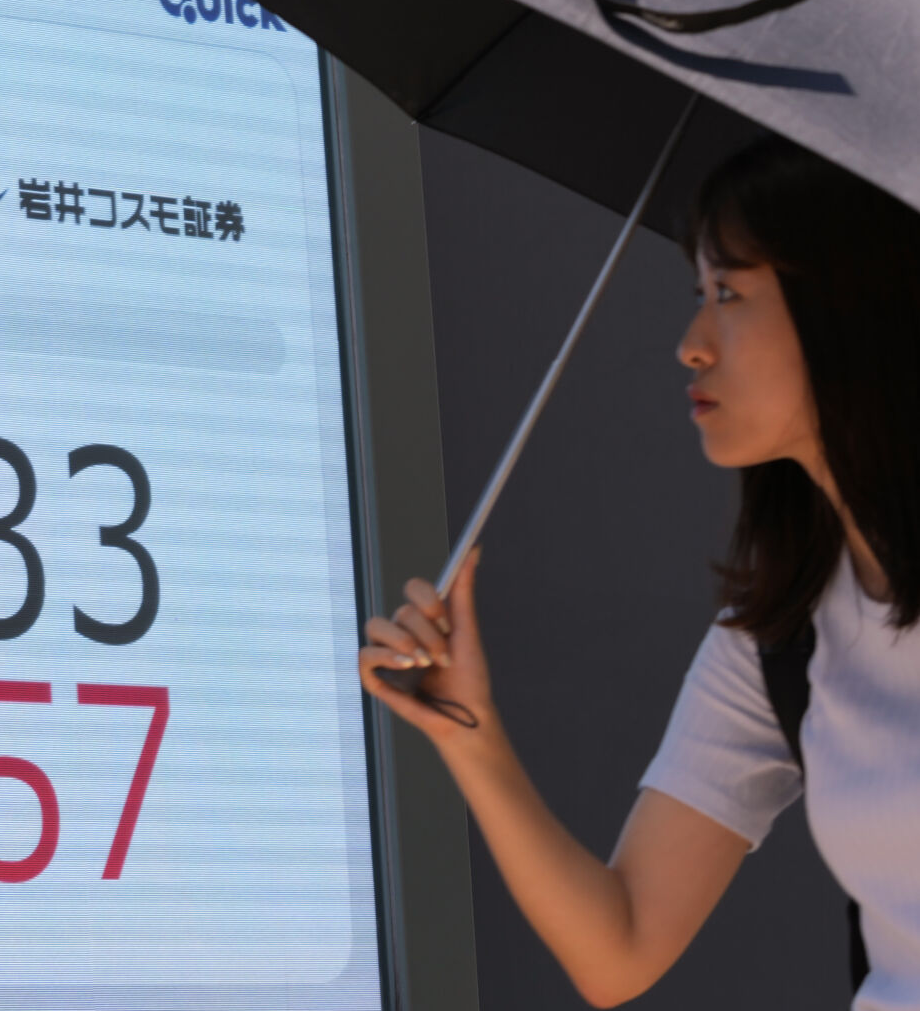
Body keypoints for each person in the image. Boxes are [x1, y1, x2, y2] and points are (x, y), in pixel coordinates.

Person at [359, 135, 920, 1008]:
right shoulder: (779, 635)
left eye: (728, 293)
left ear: (844, 307)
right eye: (698, 293)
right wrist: (467, 731)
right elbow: (619, 945)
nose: (690, 345)